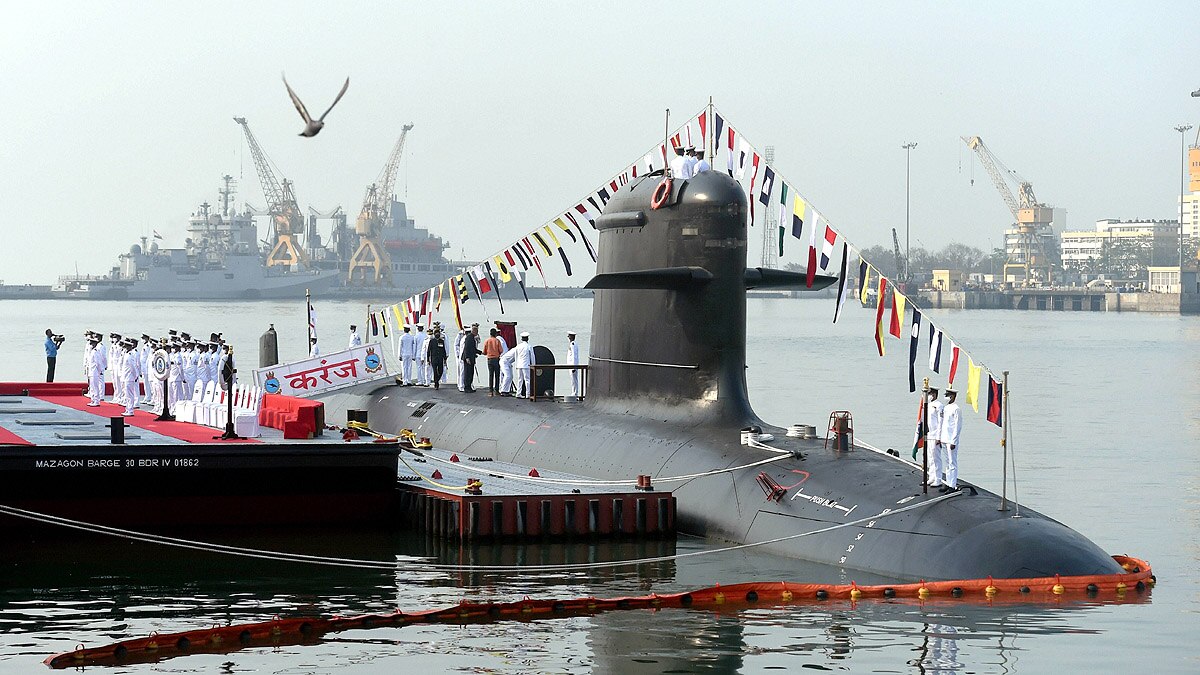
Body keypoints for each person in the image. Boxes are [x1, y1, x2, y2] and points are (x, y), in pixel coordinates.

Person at [939, 388, 962, 493]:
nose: (946, 397)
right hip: (944, 438)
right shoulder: (946, 408)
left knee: (952, 462)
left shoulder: (956, 409)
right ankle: (948, 482)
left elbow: (957, 426)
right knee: (947, 462)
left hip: (951, 440)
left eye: (947, 395)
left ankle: (952, 485)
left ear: (952, 396)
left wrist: (954, 441)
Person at [926, 388, 945, 487]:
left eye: (930, 394)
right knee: (930, 457)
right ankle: (932, 476)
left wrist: (939, 437)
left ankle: (938, 478)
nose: (928, 396)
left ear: (934, 394)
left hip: (935, 435)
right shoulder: (928, 405)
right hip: (929, 435)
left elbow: (940, 423)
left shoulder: (939, 406)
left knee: (936, 457)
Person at [482, 328, 503, 396]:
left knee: (491, 375)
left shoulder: (487, 341)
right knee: (497, 375)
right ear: (496, 334)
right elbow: (501, 350)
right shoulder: (497, 341)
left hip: (490, 359)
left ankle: (490, 391)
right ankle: (497, 390)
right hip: (496, 359)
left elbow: (484, 352)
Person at [514, 332, 535, 400]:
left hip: (519, 364)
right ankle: (527, 394)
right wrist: (534, 364)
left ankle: (518, 393)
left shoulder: (518, 346)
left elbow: (516, 356)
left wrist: (516, 365)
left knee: (520, 379)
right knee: (527, 379)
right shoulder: (529, 346)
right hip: (526, 365)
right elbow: (532, 356)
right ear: (527, 338)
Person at [85, 335, 104, 407]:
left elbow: (98, 363)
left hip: (95, 372)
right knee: (92, 386)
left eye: (92, 343)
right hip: (91, 371)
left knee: (95, 387)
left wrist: (100, 371)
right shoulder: (92, 351)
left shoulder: (95, 352)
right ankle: (93, 400)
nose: (90, 344)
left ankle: (96, 400)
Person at [461, 324, 480, 392]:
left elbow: (473, 349)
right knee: (467, 373)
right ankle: (467, 387)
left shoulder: (472, 338)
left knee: (471, 373)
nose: (477, 333)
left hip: (471, 358)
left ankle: (469, 386)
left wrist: (481, 352)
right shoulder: (469, 338)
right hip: (468, 359)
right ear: (474, 331)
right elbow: (466, 348)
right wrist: (467, 358)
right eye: (476, 331)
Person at [566, 331, 581, 398]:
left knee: (574, 380)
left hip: (573, 365)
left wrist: (574, 367)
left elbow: (574, 356)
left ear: (572, 337)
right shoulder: (573, 344)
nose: (568, 337)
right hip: (571, 365)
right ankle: (574, 392)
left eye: (569, 336)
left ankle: (575, 393)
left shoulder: (573, 344)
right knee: (573, 380)